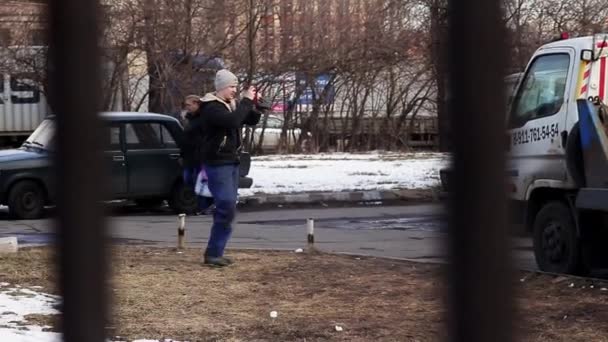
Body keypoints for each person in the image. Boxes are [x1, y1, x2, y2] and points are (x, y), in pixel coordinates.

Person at [195, 69, 261, 267]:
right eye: (232, 86)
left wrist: (255, 105)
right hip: (218, 162)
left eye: (236, 87)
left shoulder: (230, 104)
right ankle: (213, 253)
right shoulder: (211, 107)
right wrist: (246, 101)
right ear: (222, 87)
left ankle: (215, 253)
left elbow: (249, 120)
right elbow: (232, 121)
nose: (235, 90)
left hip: (231, 161)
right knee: (226, 205)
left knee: (228, 208)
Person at [179, 95, 213, 214]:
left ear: (196, 104)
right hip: (189, 156)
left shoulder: (203, 118)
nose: (187, 107)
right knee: (189, 180)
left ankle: (203, 206)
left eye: (189, 105)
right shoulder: (190, 119)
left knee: (199, 181)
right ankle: (200, 205)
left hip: (199, 156)